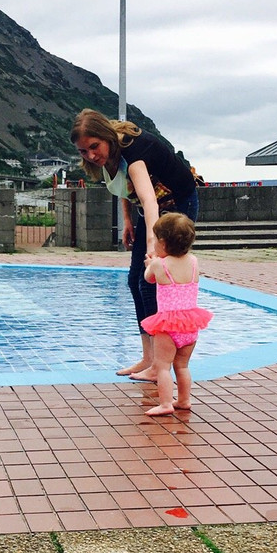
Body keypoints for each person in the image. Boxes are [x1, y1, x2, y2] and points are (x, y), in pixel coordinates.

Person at [70, 109, 198, 381]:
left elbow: (150, 200)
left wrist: (152, 246)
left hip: (176, 205)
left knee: (150, 280)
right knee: (134, 280)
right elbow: (124, 188)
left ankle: (161, 363)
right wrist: (128, 220)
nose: (91, 155)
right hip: (148, 209)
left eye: (94, 147)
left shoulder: (134, 153)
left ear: (106, 137)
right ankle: (149, 357)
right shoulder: (106, 159)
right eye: (83, 151)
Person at [139, 213, 212, 417]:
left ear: (162, 243)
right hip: (190, 324)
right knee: (182, 365)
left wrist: (150, 265)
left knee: (163, 366)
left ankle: (164, 404)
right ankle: (184, 400)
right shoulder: (194, 261)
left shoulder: (159, 265)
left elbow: (149, 279)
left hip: (168, 325)